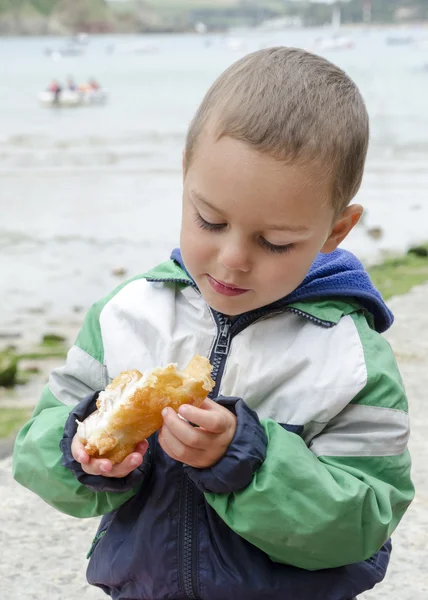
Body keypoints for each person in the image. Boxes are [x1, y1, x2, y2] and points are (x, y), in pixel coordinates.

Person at [13, 47, 414, 600]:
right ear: (185, 176)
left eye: (274, 242)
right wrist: (79, 451)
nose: (231, 259)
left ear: (335, 231)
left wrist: (246, 461)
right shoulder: (127, 315)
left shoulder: (347, 358)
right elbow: (36, 443)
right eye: (209, 220)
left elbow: (365, 522)